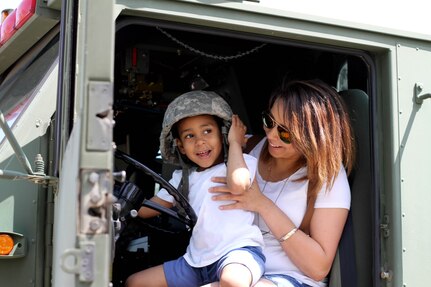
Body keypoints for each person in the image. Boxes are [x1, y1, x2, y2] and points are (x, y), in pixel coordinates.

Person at [209, 79, 355, 287]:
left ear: (313, 136)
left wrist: (262, 204)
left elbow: (319, 267)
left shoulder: (328, 176)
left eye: (285, 132)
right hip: (234, 264)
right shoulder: (254, 146)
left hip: (291, 278)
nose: (272, 135)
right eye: (269, 121)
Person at [126, 91, 265, 287]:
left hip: (236, 253)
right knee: (135, 282)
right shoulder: (182, 178)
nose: (200, 141)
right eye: (190, 136)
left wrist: (235, 142)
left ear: (223, 134)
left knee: (232, 282)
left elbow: (238, 185)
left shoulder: (242, 163)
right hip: (195, 261)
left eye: (207, 131)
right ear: (180, 147)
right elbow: (146, 210)